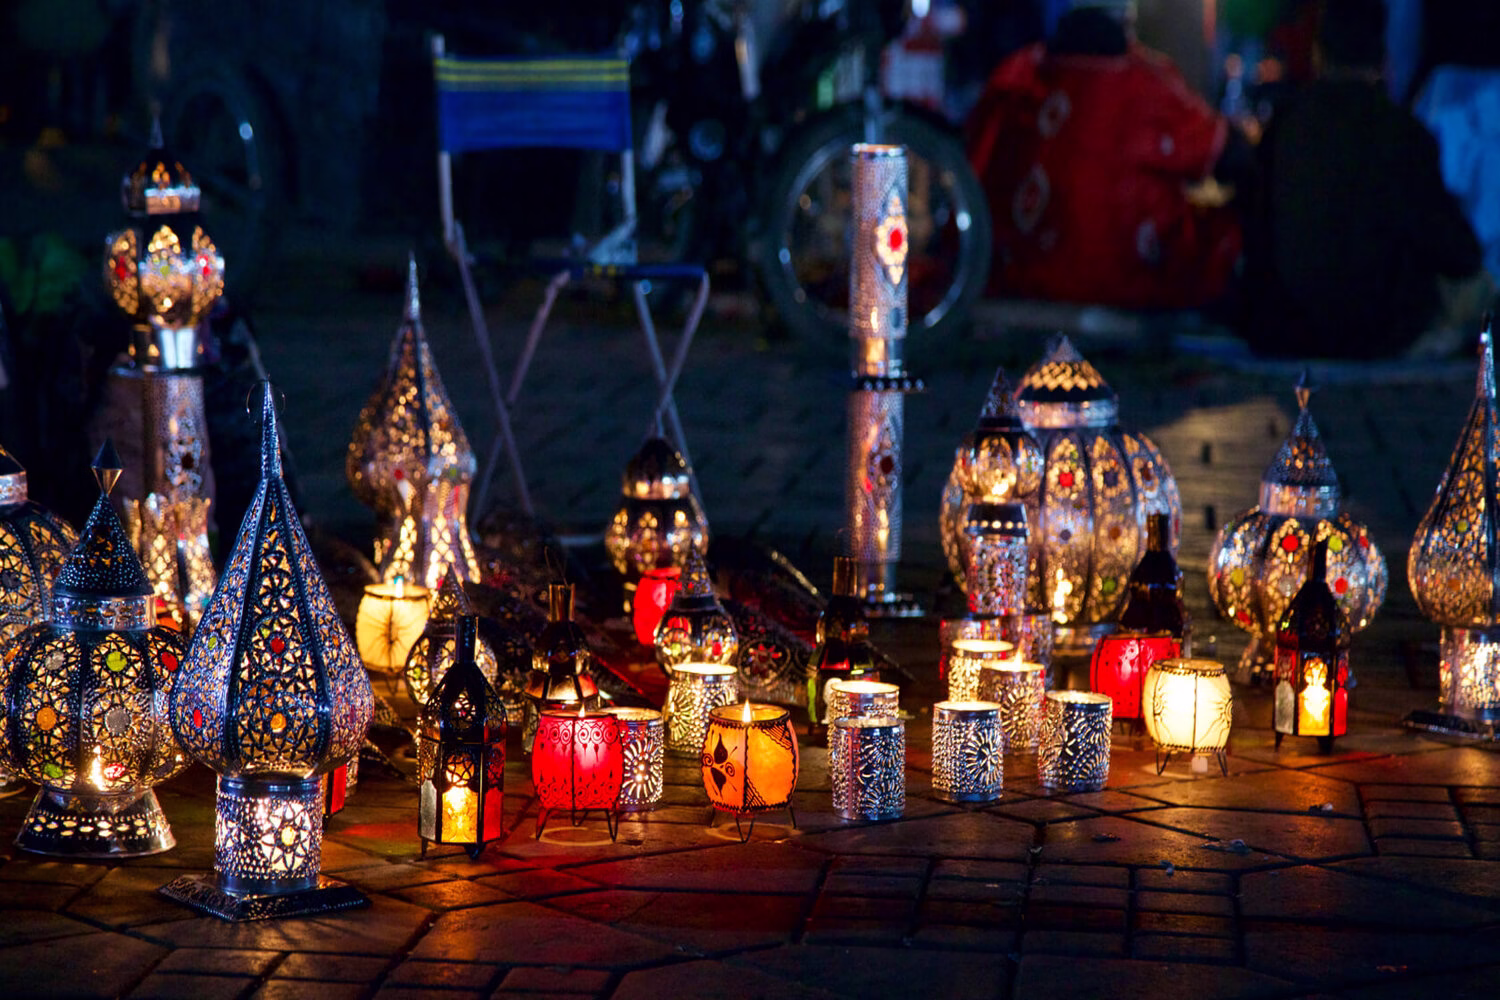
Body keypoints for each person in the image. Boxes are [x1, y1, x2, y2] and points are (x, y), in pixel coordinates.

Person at [966, 0, 1251, 311]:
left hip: (1016, 276)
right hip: (1123, 283)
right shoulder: (1147, 82)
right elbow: (1229, 155)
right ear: (1128, 20)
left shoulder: (1015, 74)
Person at [1242, 0, 1483, 358]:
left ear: (1318, 52)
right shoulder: (1403, 132)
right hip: (1381, 332)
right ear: (1382, 55)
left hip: (1288, 329)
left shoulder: (1286, 125)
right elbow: (1458, 251)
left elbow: (1254, 233)